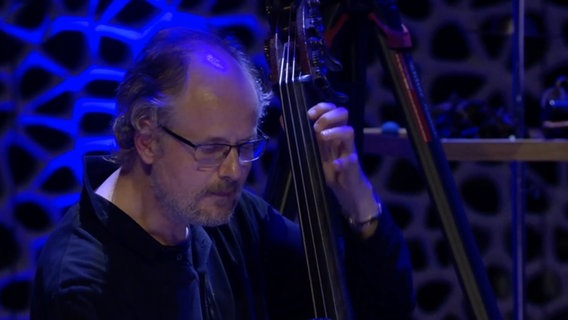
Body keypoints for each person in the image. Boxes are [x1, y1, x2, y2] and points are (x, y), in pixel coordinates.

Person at [30, 26, 415, 319]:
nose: (234, 171)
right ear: (146, 137)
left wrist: (356, 197)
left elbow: (374, 305)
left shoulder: (230, 218)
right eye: (212, 149)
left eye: (246, 147)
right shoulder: (82, 283)